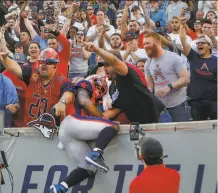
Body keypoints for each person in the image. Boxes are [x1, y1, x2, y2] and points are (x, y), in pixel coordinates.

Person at [49, 76, 120, 193]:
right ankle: (96, 154)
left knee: (89, 169)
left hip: (66, 133)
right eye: (98, 89)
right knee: (112, 126)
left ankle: (61, 187)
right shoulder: (85, 84)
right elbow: (84, 101)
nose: (99, 93)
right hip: (72, 123)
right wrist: (104, 119)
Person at [82, 41, 171, 123]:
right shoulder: (112, 87)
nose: (105, 69)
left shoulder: (126, 75)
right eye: (103, 65)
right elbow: (116, 110)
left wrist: (96, 49)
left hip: (159, 118)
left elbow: (115, 61)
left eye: (108, 65)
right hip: (142, 124)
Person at [0, 48, 75, 126]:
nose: (44, 64)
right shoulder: (33, 74)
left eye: (48, 62)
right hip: (30, 127)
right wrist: (5, 58)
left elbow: (69, 91)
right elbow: (15, 68)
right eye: (41, 61)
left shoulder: (61, 80)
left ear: (55, 65)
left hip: (51, 130)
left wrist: (62, 102)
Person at [145, 31, 190, 122]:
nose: (145, 46)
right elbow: (150, 86)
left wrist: (169, 87)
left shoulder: (174, 58)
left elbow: (186, 79)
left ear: (157, 42)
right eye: (144, 44)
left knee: (180, 135)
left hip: (178, 105)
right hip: (161, 108)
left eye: (147, 43)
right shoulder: (148, 63)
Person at [180, 19, 217, 121]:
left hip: (213, 101)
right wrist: (183, 25)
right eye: (198, 43)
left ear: (209, 46)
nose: (199, 44)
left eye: (203, 43)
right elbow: (183, 39)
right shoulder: (193, 57)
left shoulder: (216, 61)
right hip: (196, 101)